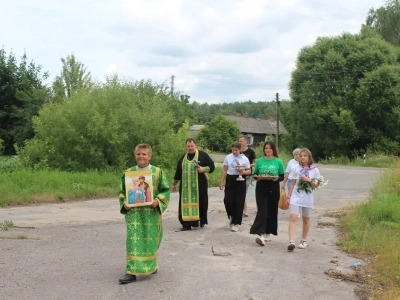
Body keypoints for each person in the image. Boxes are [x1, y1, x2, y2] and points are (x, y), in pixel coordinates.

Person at [118, 144, 170, 284]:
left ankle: (151, 265)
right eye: (138, 154)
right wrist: (124, 203)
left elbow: (165, 190)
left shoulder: (157, 172)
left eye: (144, 154)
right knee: (133, 240)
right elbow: (122, 191)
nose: (141, 156)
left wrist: (158, 201)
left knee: (150, 240)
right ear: (135, 155)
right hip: (134, 214)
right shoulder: (129, 173)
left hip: (151, 213)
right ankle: (132, 272)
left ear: (149, 156)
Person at [172, 138, 215, 231]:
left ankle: (199, 221)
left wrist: (204, 169)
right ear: (186, 147)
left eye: (192, 146)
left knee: (201, 203)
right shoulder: (182, 158)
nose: (190, 148)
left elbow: (212, 166)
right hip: (185, 188)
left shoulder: (203, 155)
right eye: (188, 146)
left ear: (196, 146)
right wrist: (174, 184)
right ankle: (186, 224)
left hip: (199, 186)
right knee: (184, 204)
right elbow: (178, 172)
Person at [250, 141, 285, 246]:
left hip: (273, 187)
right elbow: (255, 173)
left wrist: (277, 179)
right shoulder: (260, 161)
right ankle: (261, 233)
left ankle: (269, 231)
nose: (268, 150)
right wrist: (257, 177)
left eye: (270, 148)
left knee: (272, 210)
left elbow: (282, 176)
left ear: (273, 150)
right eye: (266, 148)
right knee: (262, 210)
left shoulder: (278, 161)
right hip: (261, 187)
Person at [286, 148, 321, 251]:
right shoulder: (296, 168)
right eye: (301, 156)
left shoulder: (314, 170)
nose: (302, 157)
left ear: (309, 157)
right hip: (295, 196)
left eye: (304, 156)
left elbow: (317, 185)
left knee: (306, 219)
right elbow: (292, 183)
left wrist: (309, 180)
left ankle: (303, 240)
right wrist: (289, 196)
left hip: (307, 196)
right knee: (293, 217)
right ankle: (291, 241)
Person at [219, 142, 251, 232]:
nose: (234, 152)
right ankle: (232, 215)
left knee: (239, 202)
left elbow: (249, 171)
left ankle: (236, 223)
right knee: (228, 200)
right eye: (233, 150)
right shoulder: (228, 157)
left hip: (241, 180)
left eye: (236, 150)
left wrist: (242, 172)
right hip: (230, 179)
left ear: (240, 150)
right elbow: (225, 170)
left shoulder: (245, 159)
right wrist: (221, 181)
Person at [239, 135, 256, 217]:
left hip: (247, 174)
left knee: (243, 192)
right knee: (240, 192)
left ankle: (245, 211)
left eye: (241, 141)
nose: (240, 142)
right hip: (238, 174)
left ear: (246, 141)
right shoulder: (237, 151)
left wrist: (248, 165)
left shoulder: (251, 152)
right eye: (239, 141)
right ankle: (244, 210)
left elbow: (255, 163)